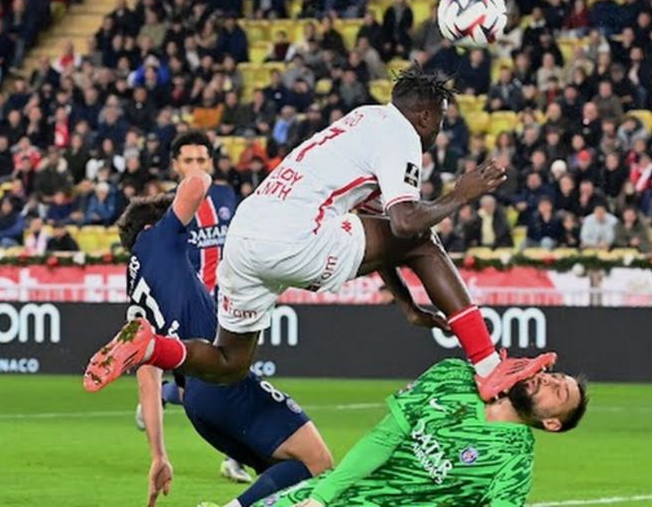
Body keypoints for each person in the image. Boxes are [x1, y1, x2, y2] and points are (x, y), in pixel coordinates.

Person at [85, 66, 556, 402]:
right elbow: (407, 226)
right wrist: (461, 194)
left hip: (247, 233)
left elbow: (382, 232)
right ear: (428, 116)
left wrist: (407, 305)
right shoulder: (402, 136)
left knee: (230, 362)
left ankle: (150, 347)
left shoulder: (364, 121)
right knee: (423, 239)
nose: (438, 133)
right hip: (295, 233)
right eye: (441, 122)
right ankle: (490, 366)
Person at [105, 176, 333, 507]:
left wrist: (159, 455)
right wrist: (179, 193)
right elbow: (198, 183)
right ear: (153, 226)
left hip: (199, 408)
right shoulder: (158, 238)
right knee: (318, 463)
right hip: (220, 381)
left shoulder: (137, 289)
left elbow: (147, 380)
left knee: (287, 476)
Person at [201, 357, 585, 507]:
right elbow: (383, 440)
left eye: (559, 391)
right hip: (325, 495)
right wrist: (320, 499)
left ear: (553, 423)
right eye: (552, 376)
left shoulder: (514, 466)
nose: (548, 381)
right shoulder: (454, 375)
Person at [131, 133, 252, 485]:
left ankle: (235, 458)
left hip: (228, 302)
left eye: (202, 160)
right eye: (188, 161)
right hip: (189, 310)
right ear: (175, 165)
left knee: (233, 377)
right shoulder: (168, 213)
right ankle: (168, 395)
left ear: (211, 163)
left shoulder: (228, 196)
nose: (196, 168)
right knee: (207, 385)